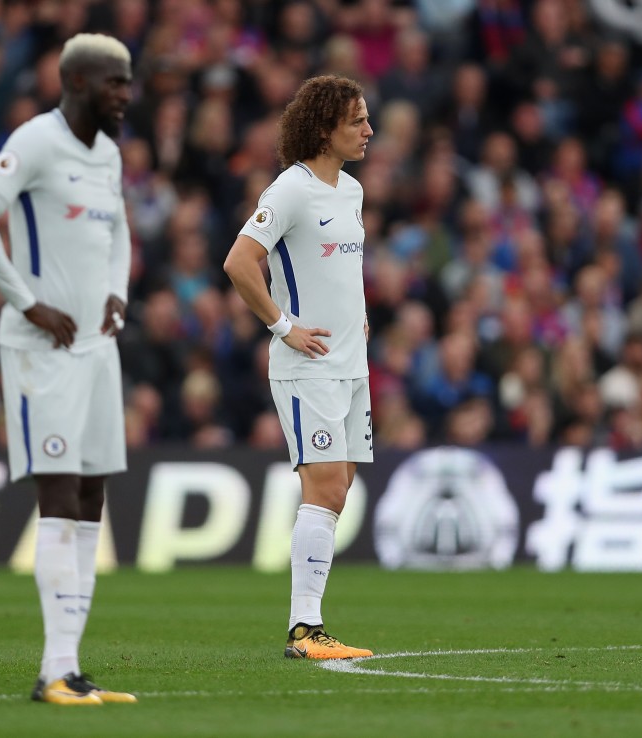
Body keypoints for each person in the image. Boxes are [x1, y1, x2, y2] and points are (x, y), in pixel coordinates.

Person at [0, 33, 135, 706]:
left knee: (91, 497)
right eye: (115, 82)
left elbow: (118, 232)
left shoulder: (109, 155)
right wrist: (26, 303)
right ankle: (53, 670)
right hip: (42, 352)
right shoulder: (34, 141)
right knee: (57, 493)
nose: (126, 93)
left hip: (97, 347)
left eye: (128, 81)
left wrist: (119, 291)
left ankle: (71, 668)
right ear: (79, 82)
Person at [223, 75, 374, 660]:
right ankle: (304, 630)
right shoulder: (291, 189)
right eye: (357, 120)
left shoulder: (352, 192)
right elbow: (240, 262)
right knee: (327, 485)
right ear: (324, 127)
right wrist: (283, 326)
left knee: (338, 492)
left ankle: (309, 626)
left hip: (351, 365)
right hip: (305, 365)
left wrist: (356, 316)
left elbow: (333, 269)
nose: (368, 130)